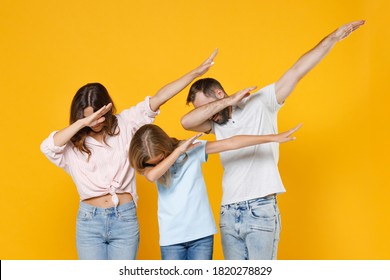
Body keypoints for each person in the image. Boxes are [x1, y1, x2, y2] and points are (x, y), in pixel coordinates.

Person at [181, 20, 365, 260]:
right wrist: (227, 102)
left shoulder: (262, 102)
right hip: (228, 212)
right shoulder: (215, 123)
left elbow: (297, 70)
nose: (211, 113)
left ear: (218, 92)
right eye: (208, 110)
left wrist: (333, 38)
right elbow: (186, 122)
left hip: (261, 209)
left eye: (211, 105)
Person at [39, 49, 218, 260]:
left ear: (108, 109)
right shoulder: (71, 144)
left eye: (100, 116)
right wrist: (82, 123)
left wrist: (195, 73)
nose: (96, 123)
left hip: (124, 218)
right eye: (89, 119)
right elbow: (47, 147)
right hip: (89, 222)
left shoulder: (126, 123)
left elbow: (159, 98)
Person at [129, 123, 301, 260]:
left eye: (161, 159)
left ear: (165, 148)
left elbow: (231, 143)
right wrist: (179, 151)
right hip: (171, 239)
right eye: (154, 163)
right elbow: (151, 176)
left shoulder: (193, 149)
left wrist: (271, 137)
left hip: (201, 235)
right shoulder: (151, 166)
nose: (158, 164)